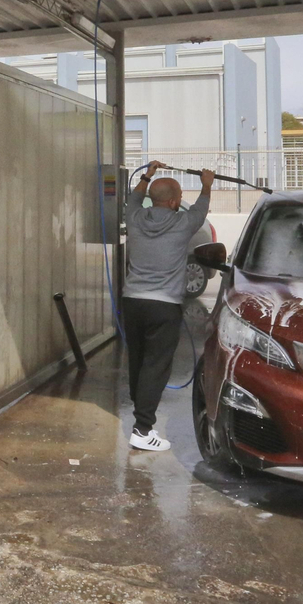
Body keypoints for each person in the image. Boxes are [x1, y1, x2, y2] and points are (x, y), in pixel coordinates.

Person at [121, 161, 214, 452]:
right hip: (164, 306)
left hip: (133, 302)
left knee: (139, 359)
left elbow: (134, 197)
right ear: (174, 202)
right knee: (156, 366)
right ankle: (142, 429)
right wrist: (207, 183)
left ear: (153, 198)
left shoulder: (135, 217)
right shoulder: (182, 223)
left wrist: (148, 174)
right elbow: (200, 209)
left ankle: (141, 411)